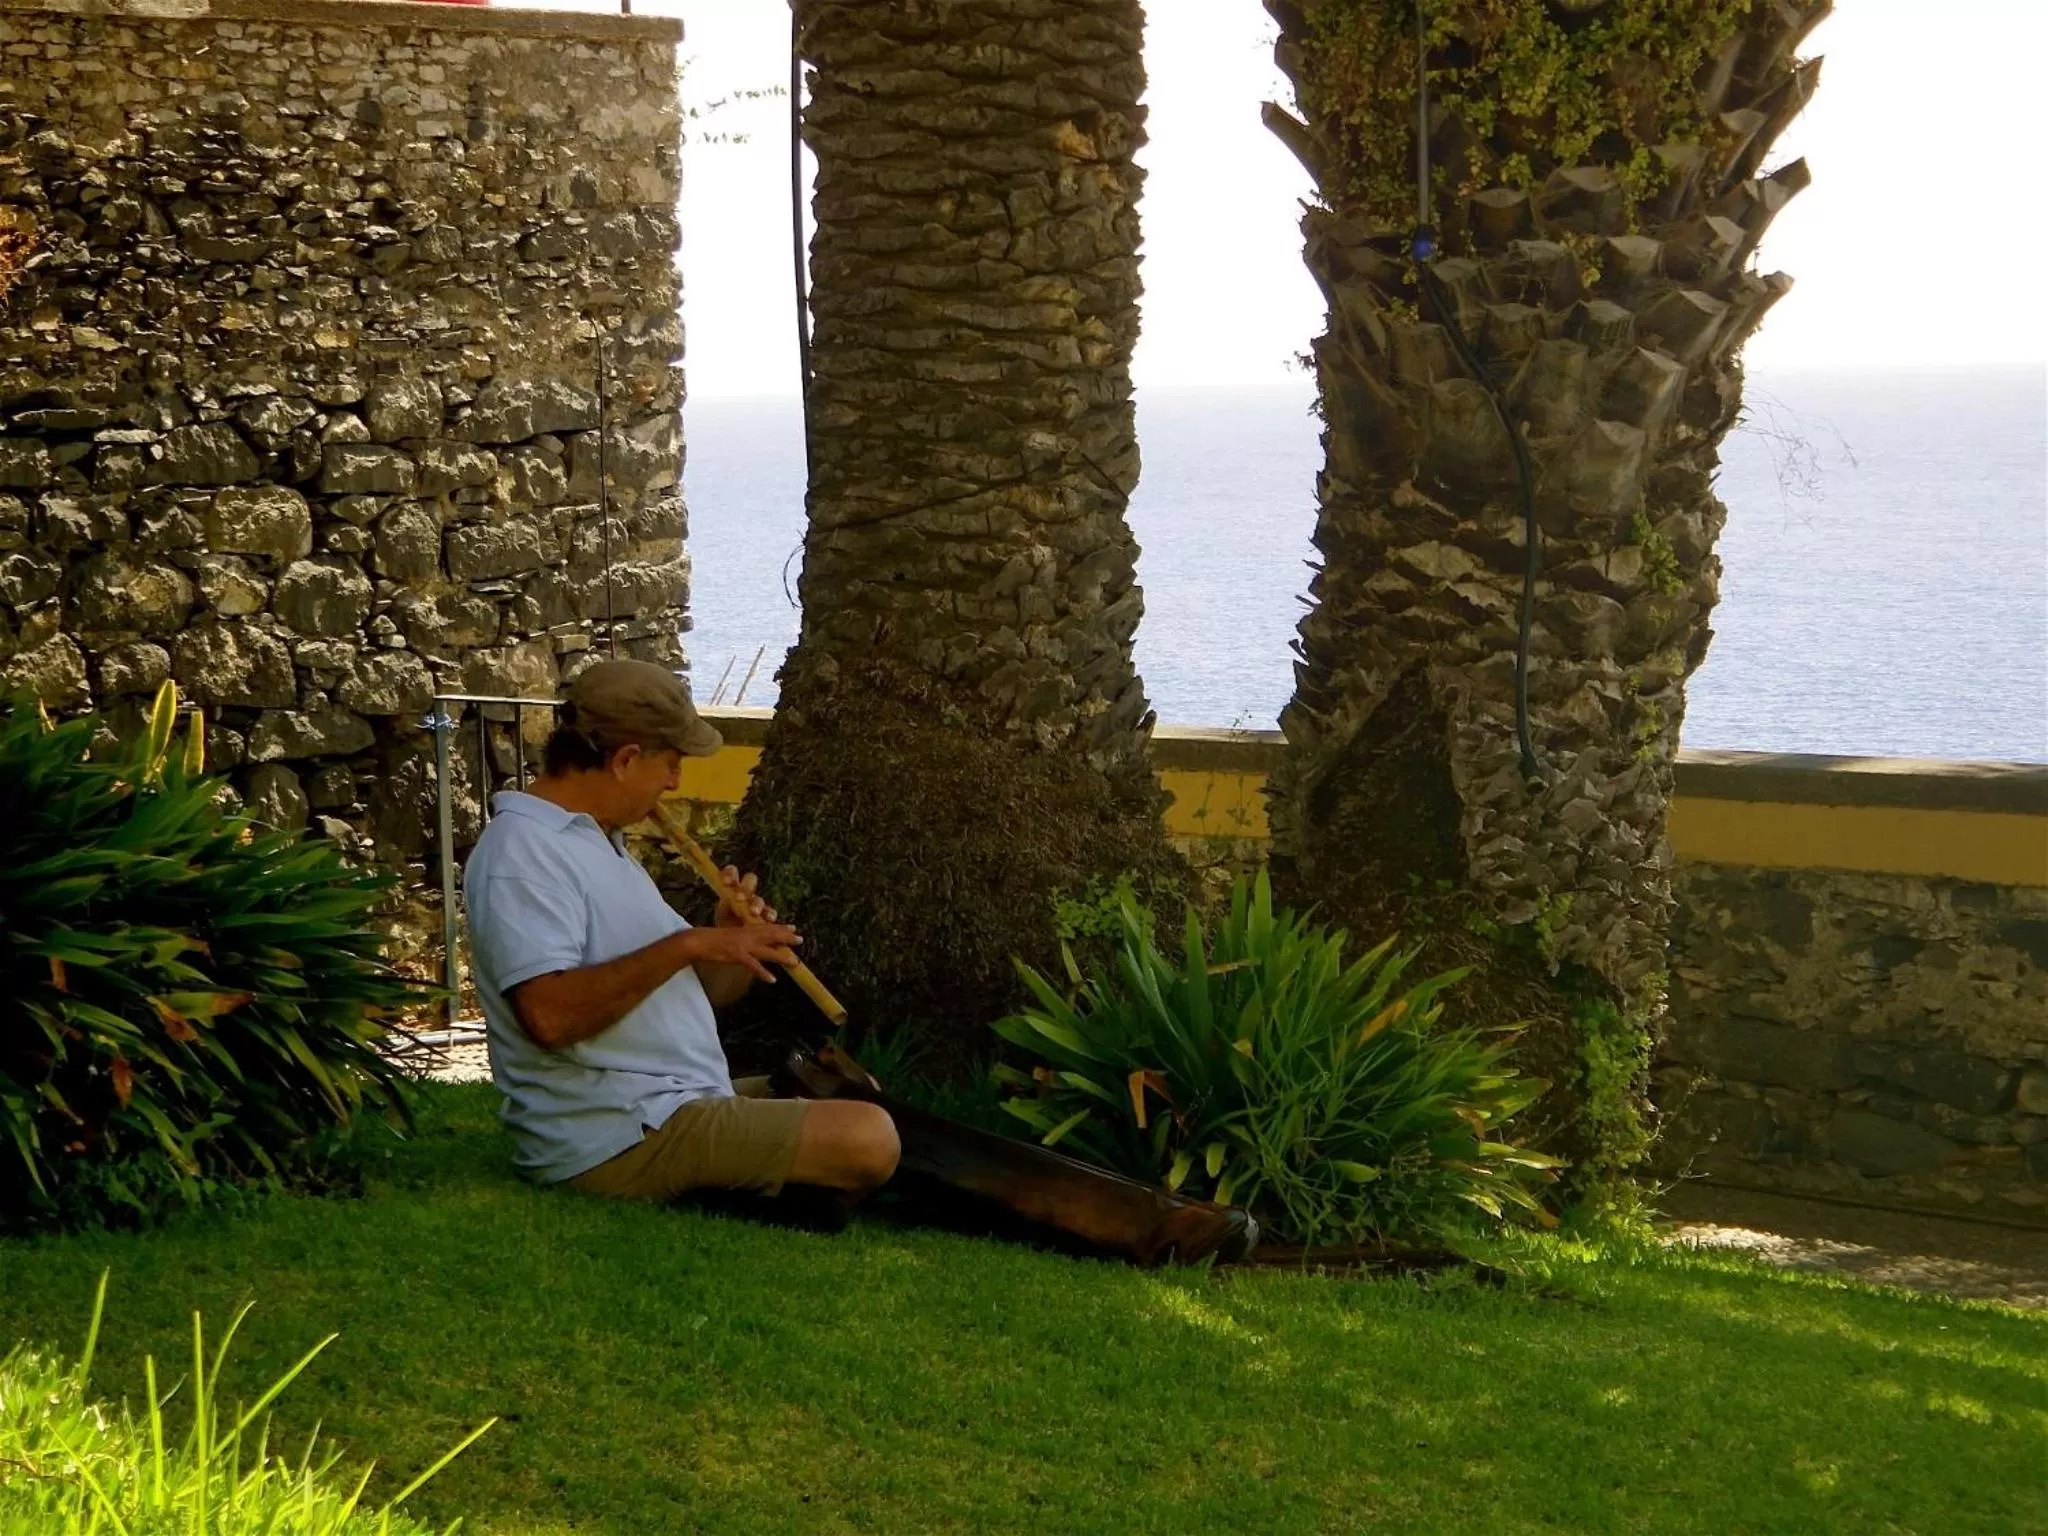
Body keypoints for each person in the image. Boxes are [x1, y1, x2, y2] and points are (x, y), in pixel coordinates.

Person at [462, 658, 899, 1211]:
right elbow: (551, 1018)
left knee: (855, 1095)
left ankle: (781, 1186)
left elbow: (686, 997)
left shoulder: (597, 841)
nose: (674, 782)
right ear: (625, 760)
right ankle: (782, 1188)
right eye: (670, 765)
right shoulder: (523, 853)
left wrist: (730, 943)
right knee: (868, 1136)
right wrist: (687, 944)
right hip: (616, 1132)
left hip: (673, 1100)